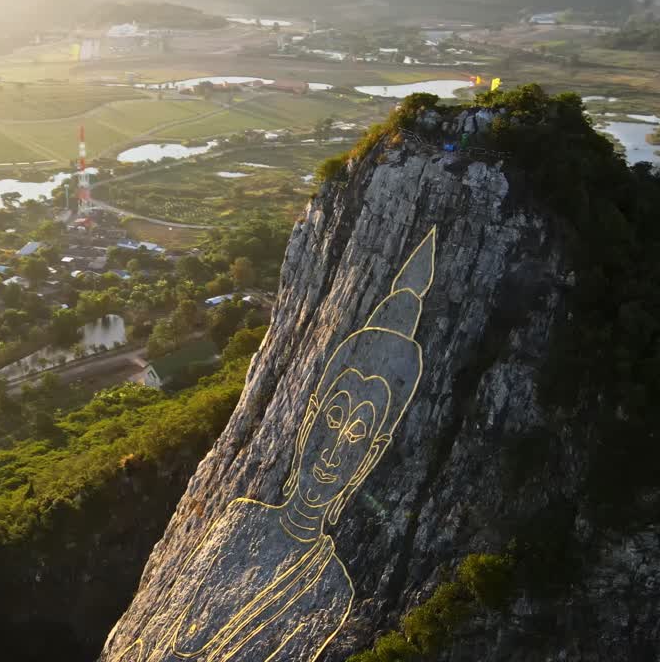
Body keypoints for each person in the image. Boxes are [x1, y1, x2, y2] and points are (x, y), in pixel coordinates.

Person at [112, 229, 437, 662]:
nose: (333, 451)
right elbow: (161, 630)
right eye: (333, 418)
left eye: (358, 435)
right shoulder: (241, 517)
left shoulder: (334, 588)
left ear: (372, 455)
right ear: (308, 421)